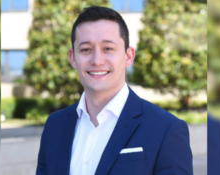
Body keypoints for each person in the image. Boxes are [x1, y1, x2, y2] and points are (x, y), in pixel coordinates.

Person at [36, 6, 193, 175]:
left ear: (129, 56)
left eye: (108, 49)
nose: (97, 60)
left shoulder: (166, 129)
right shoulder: (54, 126)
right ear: (73, 58)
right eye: (85, 49)